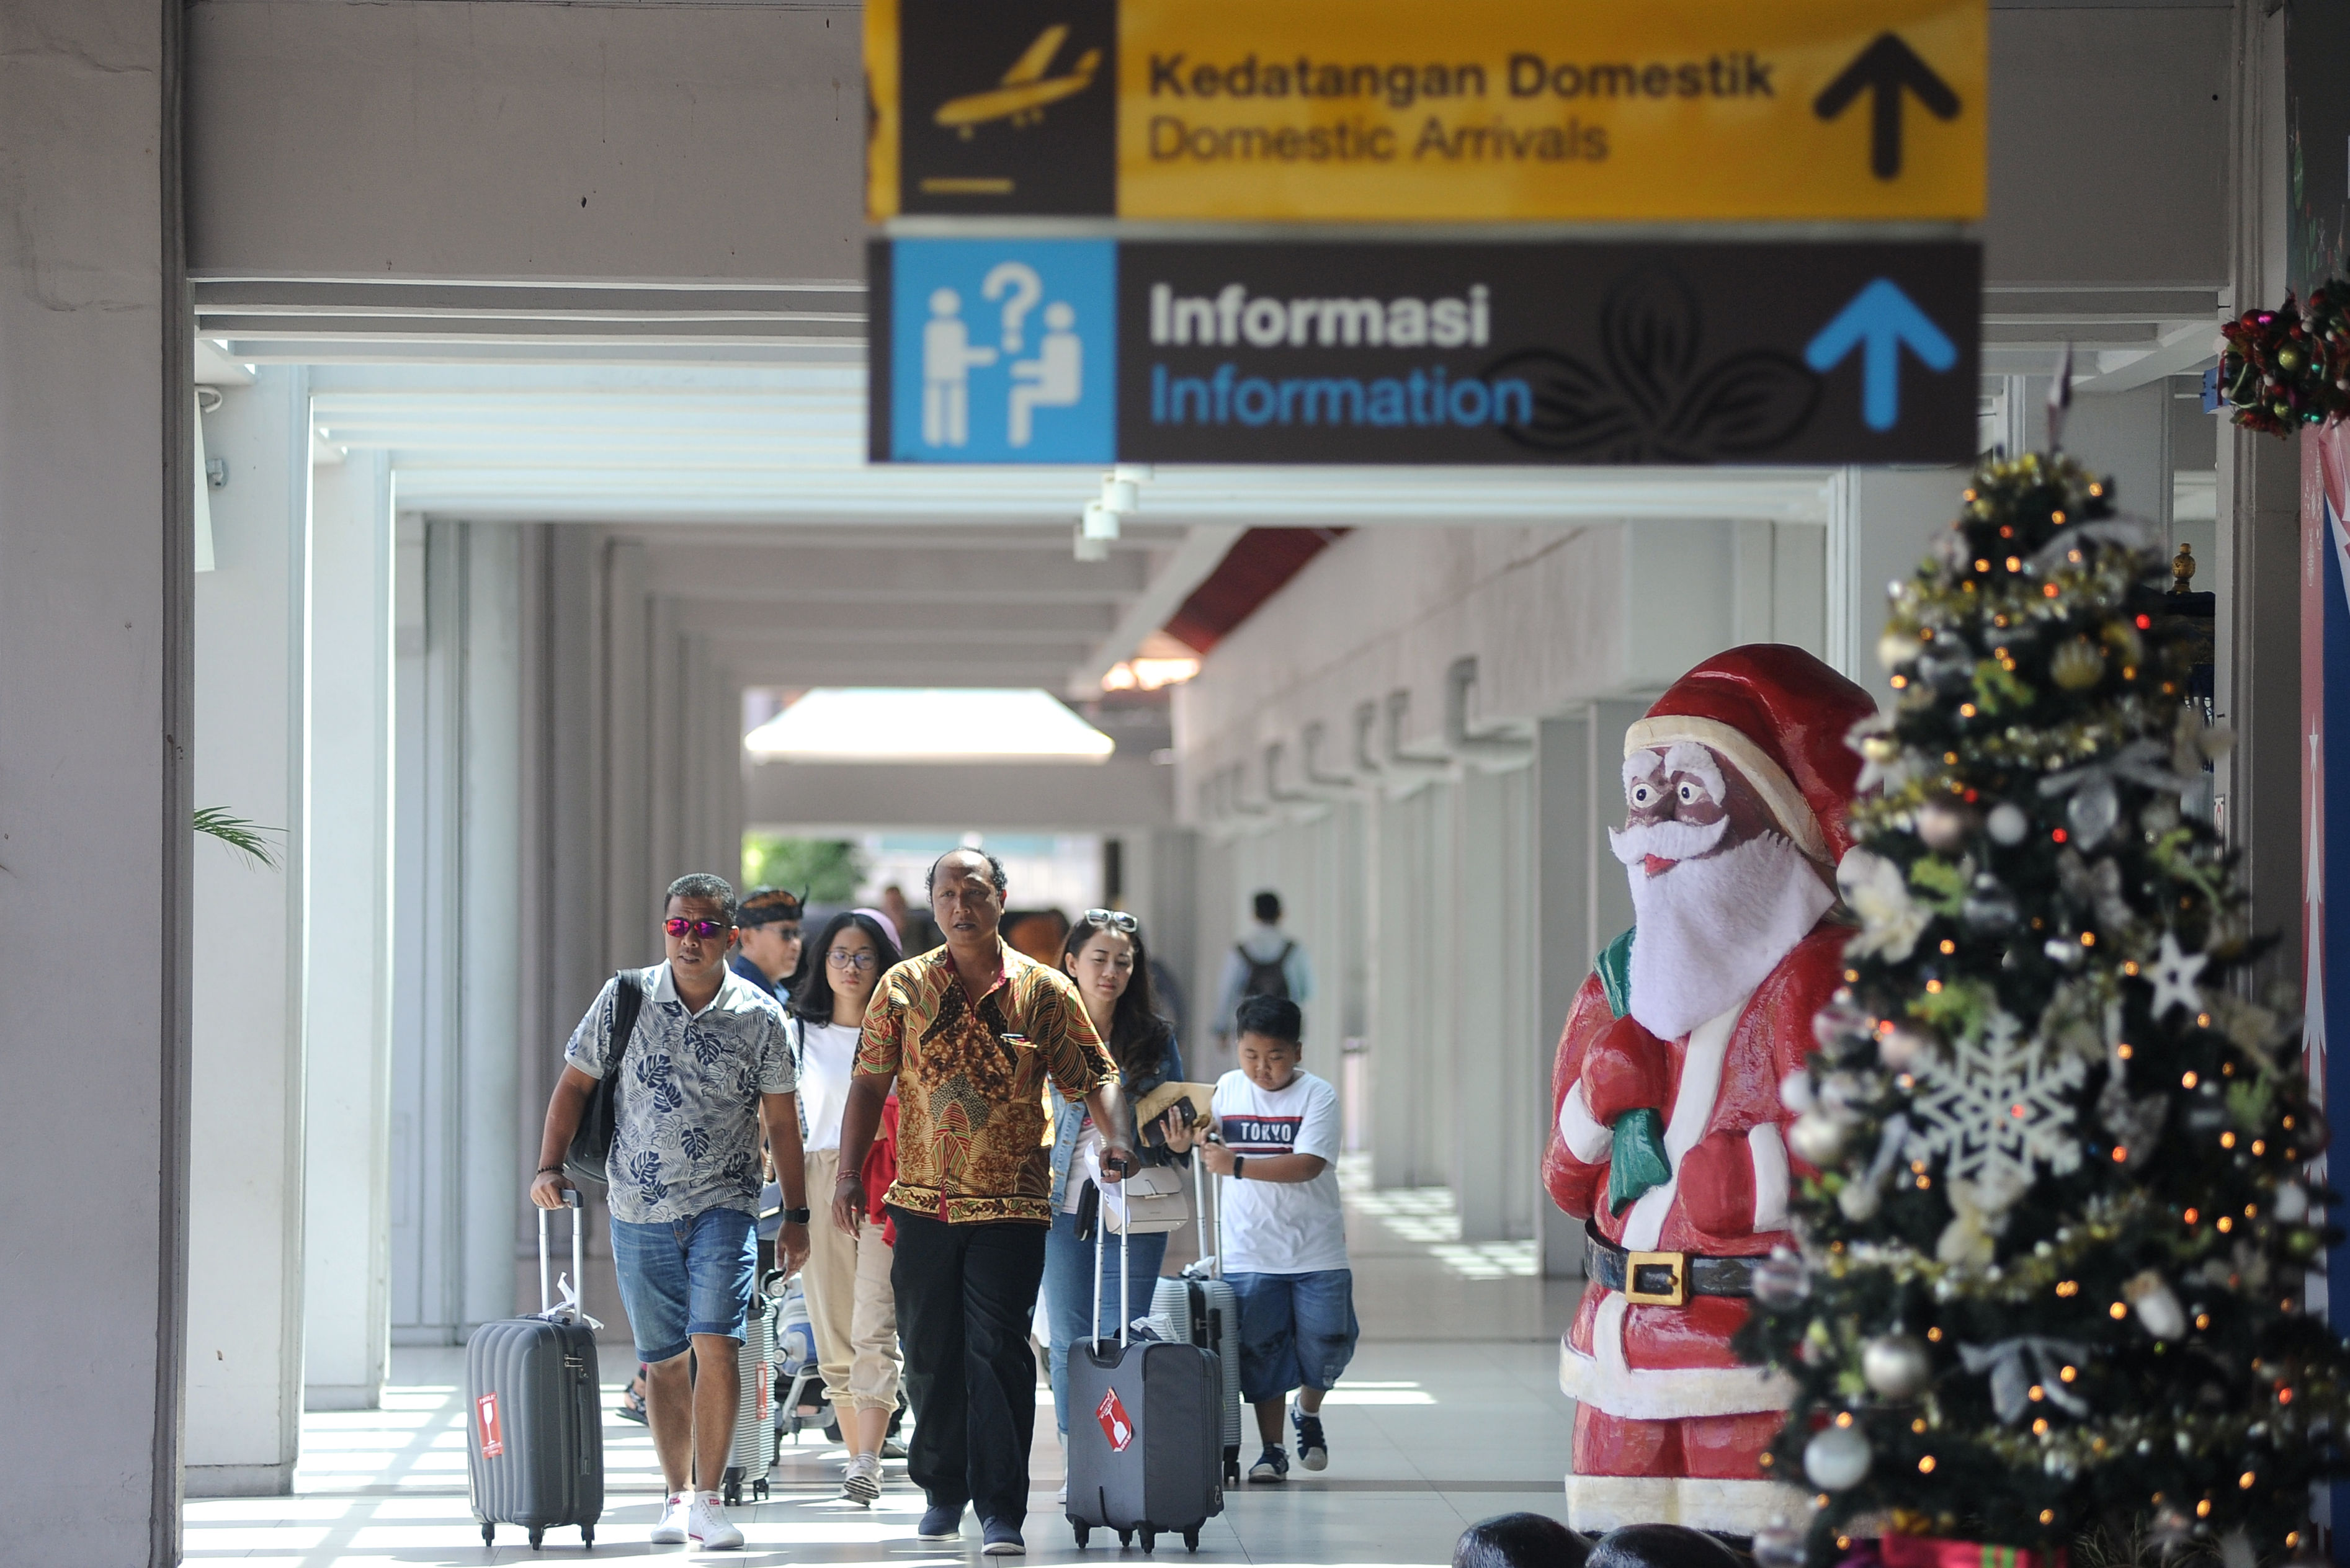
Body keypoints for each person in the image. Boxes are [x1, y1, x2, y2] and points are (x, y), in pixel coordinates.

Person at [1540, 646, 1875, 1535]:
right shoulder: (1617, 982)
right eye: (1643, 795)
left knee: (1741, 1545)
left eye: (1688, 794)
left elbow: (1882, 1157)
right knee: (1612, 1545)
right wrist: (1592, 1107)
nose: (1654, 826)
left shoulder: (1821, 979)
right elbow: (1565, 1183)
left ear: (1782, 818)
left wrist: (1761, 1179)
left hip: (1756, 1353)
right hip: (1614, 1347)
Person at [833, 847, 1135, 1557]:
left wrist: (1114, 1137)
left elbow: (1096, 1073)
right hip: (920, 1200)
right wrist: (849, 1174)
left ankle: (1001, 1508)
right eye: (946, 892)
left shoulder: (1044, 990)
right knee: (931, 1351)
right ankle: (942, 1488)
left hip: (1013, 1204)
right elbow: (869, 1085)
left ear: (1001, 897)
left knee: (997, 1352)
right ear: (932, 903)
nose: (960, 904)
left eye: (974, 891)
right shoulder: (901, 987)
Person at [528, 873, 812, 1552]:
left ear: (730, 936)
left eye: (706, 926)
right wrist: (548, 1165)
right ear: (665, 928)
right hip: (637, 1204)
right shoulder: (624, 996)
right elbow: (574, 1081)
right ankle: (675, 1492)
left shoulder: (759, 1014)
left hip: (726, 1203)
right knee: (662, 1360)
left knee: (717, 1342)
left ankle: (710, 1499)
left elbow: (781, 1120)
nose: (690, 938)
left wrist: (797, 1213)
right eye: (678, 925)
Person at [1178, 994, 1356, 1484]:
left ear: (1297, 1052)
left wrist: (1234, 1165)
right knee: (1261, 1351)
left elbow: (1308, 1165)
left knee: (1329, 1343)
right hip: (1248, 1251)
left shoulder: (1318, 1096)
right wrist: (1191, 1139)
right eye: (1251, 1055)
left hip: (1316, 1248)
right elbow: (1198, 1134)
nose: (1262, 1069)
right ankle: (1272, 1450)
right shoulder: (1227, 1090)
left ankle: (1309, 1409)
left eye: (1275, 1057)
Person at [1042, 909, 1191, 1468]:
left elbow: (1174, 1128)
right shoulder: (1043, 1031)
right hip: (1060, 1201)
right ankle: (1079, 1455)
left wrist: (1178, 1141)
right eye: (1099, 959)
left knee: (1121, 1334)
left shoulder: (1154, 1039)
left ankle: (1116, 1454)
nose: (1111, 972)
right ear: (1073, 963)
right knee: (1071, 1336)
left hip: (1137, 1202)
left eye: (1123, 962)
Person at [787, 908, 906, 1508]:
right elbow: (775, 1117)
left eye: (864, 955)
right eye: (839, 954)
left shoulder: (905, 1030)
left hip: (889, 1179)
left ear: (883, 962)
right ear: (822, 962)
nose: (851, 966)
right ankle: (858, 1458)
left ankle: (867, 1458)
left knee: (874, 1322)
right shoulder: (797, 1031)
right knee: (833, 1329)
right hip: (820, 1176)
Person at [1213, 890, 1313, 1042]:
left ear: (1254, 915)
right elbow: (1307, 991)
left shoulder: (1240, 951)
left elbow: (1227, 992)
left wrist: (1221, 1028)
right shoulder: (1295, 951)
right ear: (1281, 914)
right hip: (1285, 1028)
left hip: (1250, 1028)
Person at [730, 884, 805, 1004]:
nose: (796, 943)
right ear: (748, 938)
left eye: (797, 934)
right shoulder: (732, 996)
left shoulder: (779, 994)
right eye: (786, 933)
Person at [882, 883, 942, 954]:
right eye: (891, 905)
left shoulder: (919, 926)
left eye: (897, 904)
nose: (895, 909)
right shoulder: (881, 929)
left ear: (904, 903)